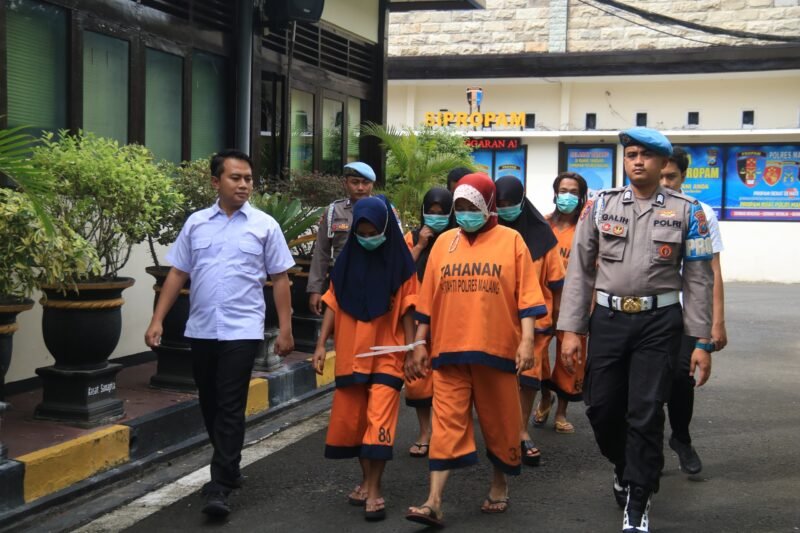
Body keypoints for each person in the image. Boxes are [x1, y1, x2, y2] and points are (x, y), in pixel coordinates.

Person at [558, 127, 714, 533]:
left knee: (645, 413)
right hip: (608, 321)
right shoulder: (600, 207)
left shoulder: (689, 212)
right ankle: (627, 467)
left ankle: (638, 500)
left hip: (659, 324)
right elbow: (580, 269)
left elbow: (699, 280)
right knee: (601, 408)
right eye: (631, 154)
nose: (638, 161)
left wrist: (701, 341)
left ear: (665, 163)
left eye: (646, 155)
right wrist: (572, 329)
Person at [144, 149, 295, 518]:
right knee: (210, 402)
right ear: (216, 182)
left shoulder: (264, 225)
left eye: (248, 179)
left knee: (229, 405)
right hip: (202, 330)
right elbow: (178, 273)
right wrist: (157, 319)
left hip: (243, 330)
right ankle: (229, 465)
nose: (244, 185)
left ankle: (219, 486)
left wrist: (287, 328)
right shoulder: (197, 223)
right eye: (235, 178)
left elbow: (280, 279)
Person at [406, 173, 546, 528]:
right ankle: (434, 501)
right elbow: (428, 300)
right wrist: (420, 342)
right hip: (449, 352)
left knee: (501, 423)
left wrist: (527, 341)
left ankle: (499, 485)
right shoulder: (444, 244)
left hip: (497, 351)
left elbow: (527, 297)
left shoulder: (511, 241)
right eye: (460, 207)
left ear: (488, 206)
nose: (465, 213)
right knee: (446, 425)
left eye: (472, 206)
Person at [311, 195, 418, 522]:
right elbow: (334, 302)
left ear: (386, 227)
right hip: (351, 354)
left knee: (379, 422)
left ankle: (374, 491)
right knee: (356, 424)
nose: (369, 237)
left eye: (374, 231)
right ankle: (366, 480)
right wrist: (320, 345)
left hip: (388, 354)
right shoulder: (346, 263)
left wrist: (412, 349)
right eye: (363, 231)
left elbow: (408, 309)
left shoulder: (401, 264)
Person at [660, 146, 727, 475]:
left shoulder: (701, 213)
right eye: (661, 175)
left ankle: (681, 438)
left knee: (681, 379)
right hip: (650, 313)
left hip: (687, 315)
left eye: (671, 176)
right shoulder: (636, 209)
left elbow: (712, 272)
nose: (665, 182)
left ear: (684, 177)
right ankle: (648, 448)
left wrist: (716, 325)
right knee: (647, 383)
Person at [493, 176, 563, 467]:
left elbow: (557, 282)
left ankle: (520, 431)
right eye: (501, 204)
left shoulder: (542, 235)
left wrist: (560, 323)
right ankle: (502, 430)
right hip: (496, 321)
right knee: (500, 380)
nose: (506, 209)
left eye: (511, 204)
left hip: (535, 322)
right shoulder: (489, 233)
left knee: (527, 379)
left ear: (522, 201)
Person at [533, 172, 590, 434]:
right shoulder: (543, 225)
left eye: (573, 191)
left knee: (570, 359)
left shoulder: (587, 228)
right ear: (555, 193)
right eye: (563, 190)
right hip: (544, 301)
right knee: (538, 356)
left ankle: (562, 412)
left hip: (575, 303)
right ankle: (546, 396)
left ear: (581, 197)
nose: (567, 196)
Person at [403, 187, 455, 458]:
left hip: (448, 320)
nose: (435, 218)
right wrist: (421, 245)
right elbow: (399, 273)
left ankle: (445, 435)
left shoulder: (457, 239)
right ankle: (425, 433)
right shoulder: (411, 238)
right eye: (430, 213)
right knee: (418, 379)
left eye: (441, 213)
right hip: (415, 319)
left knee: (449, 382)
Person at [307, 162, 376, 315]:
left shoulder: (384, 210)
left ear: (372, 184)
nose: (360, 188)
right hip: (342, 282)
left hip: (376, 282)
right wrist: (315, 289)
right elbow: (321, 252)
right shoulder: (334, 211)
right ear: (346, 184)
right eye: (355, 182)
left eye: (365, 183)